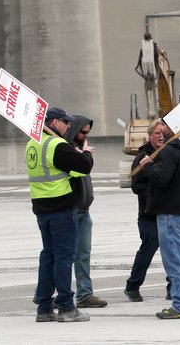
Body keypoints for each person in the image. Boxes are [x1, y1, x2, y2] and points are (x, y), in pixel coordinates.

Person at [29, 106, 93, 323]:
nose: (68, 126)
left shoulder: (32, 144)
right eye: (66, 122)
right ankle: (66, 306)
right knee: (64, 258)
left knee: (48, 257)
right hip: (62, 209)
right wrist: (85, 152)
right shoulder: (56, 145)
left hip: (42, 208)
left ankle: (44, 308)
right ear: (55, 122)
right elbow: (83, 167)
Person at [136, 122, 180, 319]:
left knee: (175, 261)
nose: (162, 131)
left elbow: (160, 178)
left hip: (171, 213)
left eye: (165, 127)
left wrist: (147, 166)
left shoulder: (168, 151)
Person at [124, 119, 170, 302]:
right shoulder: (142, 156)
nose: (160, 136)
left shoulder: (170, 153)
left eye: (162, 133)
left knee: (171, 250)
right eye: (156, 133)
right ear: (150, 136)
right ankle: (132, 286)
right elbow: (136, 186)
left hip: (169, 212)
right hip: (148, 214)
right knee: (148, 248)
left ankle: (173, 287)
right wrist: (156, 194)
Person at [65, 115, 108, 308]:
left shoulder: (78, 150)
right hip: (71, 209)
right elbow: (81, 169)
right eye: (82, 132)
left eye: (88, 132)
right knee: (65, 254)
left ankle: (84, 293)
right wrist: (83, 155)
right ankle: (51, 293)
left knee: (83, 254)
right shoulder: (66, 150)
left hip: (83, 209)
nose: (85, 136)